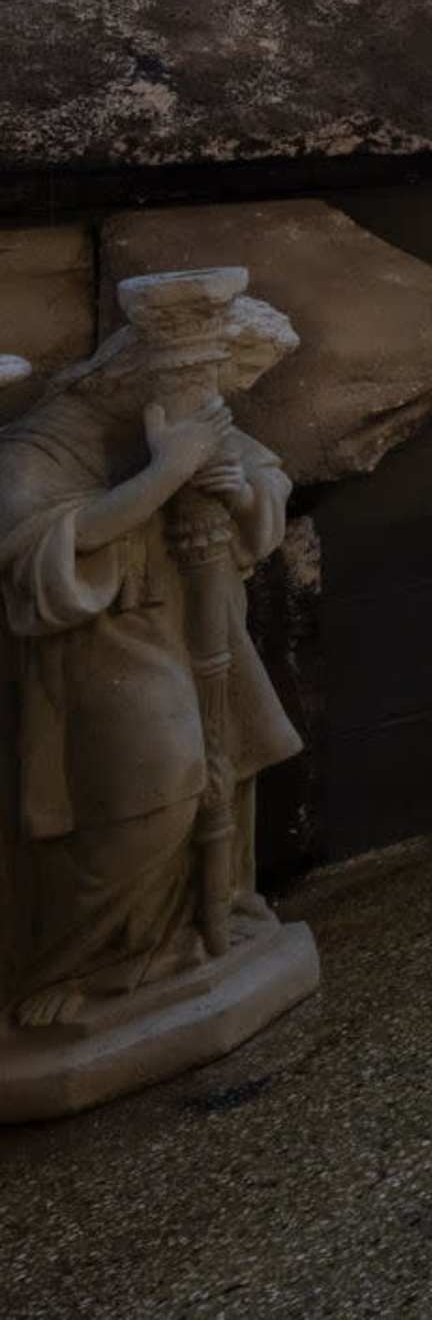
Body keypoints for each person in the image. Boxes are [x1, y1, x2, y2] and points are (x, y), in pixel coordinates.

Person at [0, 278, 303, 1034]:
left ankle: (198, 922)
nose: (219, 397)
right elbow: (35, 551)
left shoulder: (190, 412)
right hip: (108, 644)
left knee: (224, 772)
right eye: (219, 380)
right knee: (157, 789)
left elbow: (263, 477)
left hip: (203, 627)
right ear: (138, 368)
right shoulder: (41, 445)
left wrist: (236, 488)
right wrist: (165, 471)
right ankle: (69, 963)